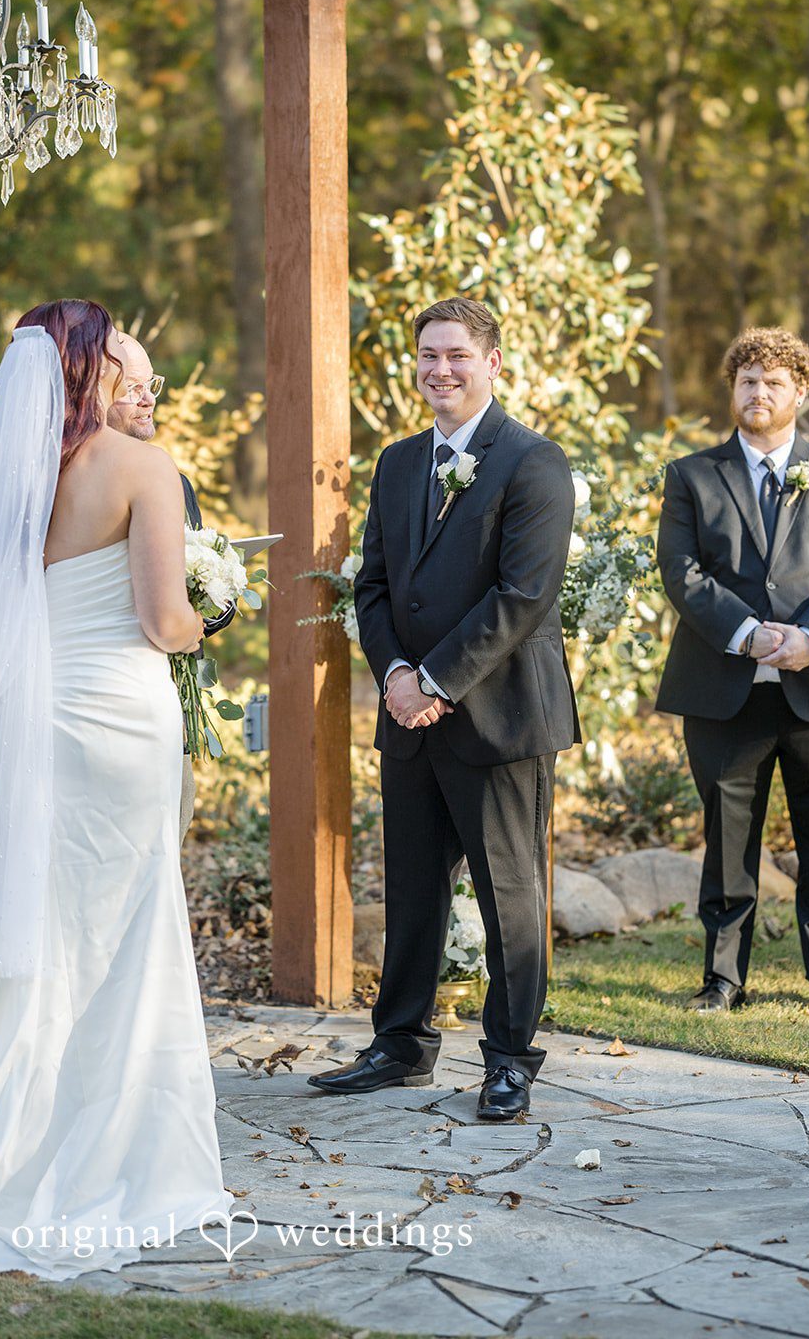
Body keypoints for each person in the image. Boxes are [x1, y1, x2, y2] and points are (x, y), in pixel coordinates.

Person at [0, 300, 233, 1280]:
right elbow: (160, 619)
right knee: (129, 937)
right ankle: (121, 1154)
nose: (136, 384)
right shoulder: (142, 467)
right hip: (120, 726)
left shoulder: (4, 481)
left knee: (35, 942)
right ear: (91, 369)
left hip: (39, 727)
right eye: (124, 364)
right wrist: (217, 605)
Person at [309, 297, 579, 1121]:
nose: (439, 370)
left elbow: (523, 596)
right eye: (427, 355)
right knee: (413, 889)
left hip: (500, 721)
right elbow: (375, 585)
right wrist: (394, 670)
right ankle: (400, 1045)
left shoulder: (534, 462)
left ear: (492, 362)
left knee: (509, 898)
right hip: (408, 716)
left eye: (456, 354)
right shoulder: (395, 463)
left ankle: (508, 1060)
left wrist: (433, 682)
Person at [656, 328, 809, 1014]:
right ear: (732, 389)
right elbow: (681, 572)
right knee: (726, 838)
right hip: (724, 689)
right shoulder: (691, 476)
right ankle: (722, 978)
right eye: (746, 380)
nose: (757, 392)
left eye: (772, 381)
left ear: (800, 393)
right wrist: (749, 635)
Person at [106, 330, 235, 843]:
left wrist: (215, 600)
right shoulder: (50, 482)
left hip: (167, 698)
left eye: (151, 383)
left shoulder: (175, 483)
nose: (149, 398)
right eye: (132, 387)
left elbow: (188, 587)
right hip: (120, 701)